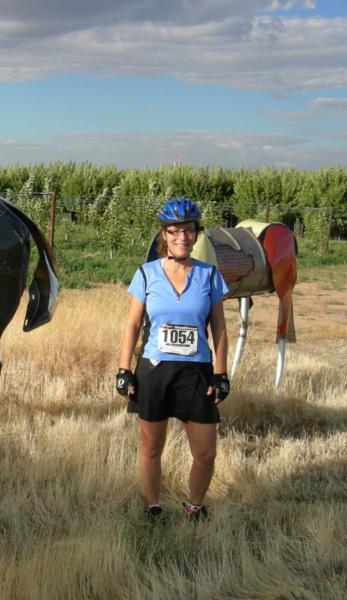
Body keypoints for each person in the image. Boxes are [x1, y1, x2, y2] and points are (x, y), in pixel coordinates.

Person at [116, 197, 230, 521]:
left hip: (196, 373)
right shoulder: (146, 274)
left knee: (206, 452)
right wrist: (124, 369)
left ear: (197, 234)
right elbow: (133, 324)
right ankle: (153, 508)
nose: (182, 237)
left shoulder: (209, 276)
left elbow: (219, 328)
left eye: (189, 230)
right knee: (151, 447)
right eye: (175, 230)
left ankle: (194, 507)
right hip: (154, 370)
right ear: (164, 235)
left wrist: (221, 374)